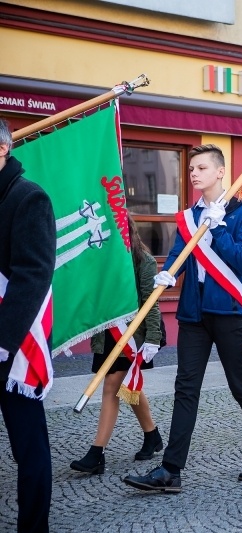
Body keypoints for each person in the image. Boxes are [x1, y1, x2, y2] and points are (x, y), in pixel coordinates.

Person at [123, 144, 242, 492]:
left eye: (201, 168)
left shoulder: (240, 213)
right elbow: (178, 255)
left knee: (240, 385)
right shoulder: (188, 216)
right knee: (185, 388)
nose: (194, 174)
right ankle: (170, 471)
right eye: (191, 169)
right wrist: (168, 275)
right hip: (193, 314)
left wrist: (219, 230)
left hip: (228, 313)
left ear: (220, 172)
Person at [70, 215, 164, 475]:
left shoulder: (143, 261)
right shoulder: (100, 262)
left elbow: (150, 303)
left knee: (111, 387)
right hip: (107, 335)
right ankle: (152, 435)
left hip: (133, 336)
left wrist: (154, 338)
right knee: (127, 386)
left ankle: (96, 454)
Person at [0, 118, 55, 532]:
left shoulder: (28, 197)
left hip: (12, 349)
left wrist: (3, 342)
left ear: (2, 150)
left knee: (28, 448)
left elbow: (32, 276)